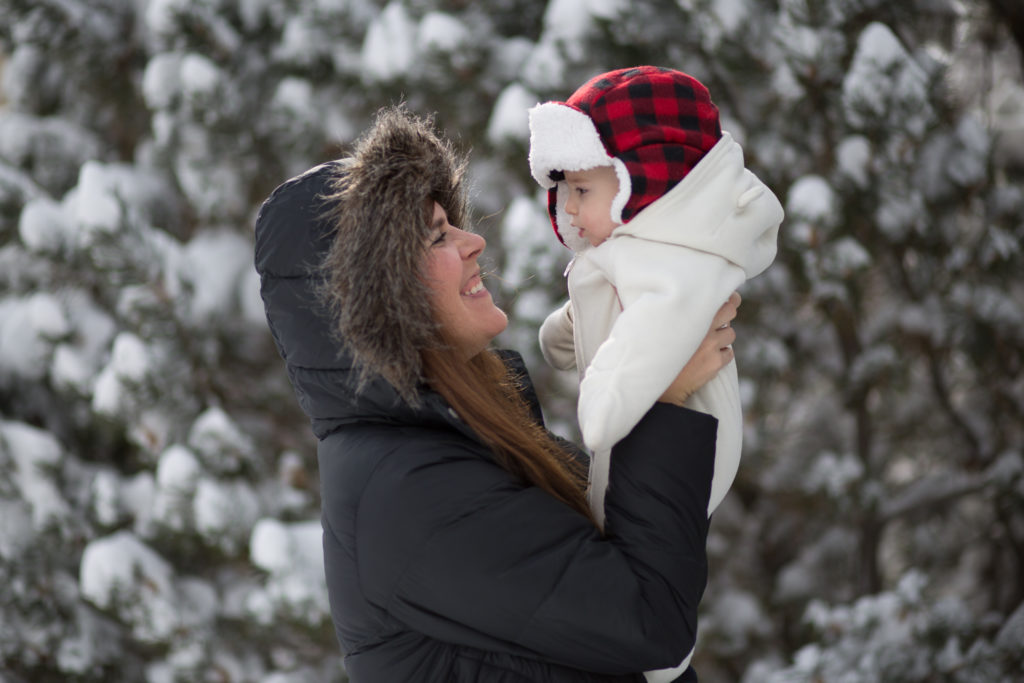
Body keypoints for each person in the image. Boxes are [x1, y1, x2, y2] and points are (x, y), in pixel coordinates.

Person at [254, 104, 739, 683]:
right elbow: (649, 620)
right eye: (436, 235)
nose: (474, 240)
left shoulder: (450, 444)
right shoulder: (406, 495)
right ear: (375, 296)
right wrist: (659, 398)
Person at [528, 66, 784, 682]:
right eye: (563, 192)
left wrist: (602, 400)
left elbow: (635, 361)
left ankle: (664, 668)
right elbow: (596, 318)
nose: (569, 209)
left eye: (583, 192)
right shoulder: (639, 250)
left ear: (641, 183)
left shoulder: (674, 268)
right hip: (649, 409)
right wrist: (568, 332)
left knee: (620, 518)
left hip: (684, 423)